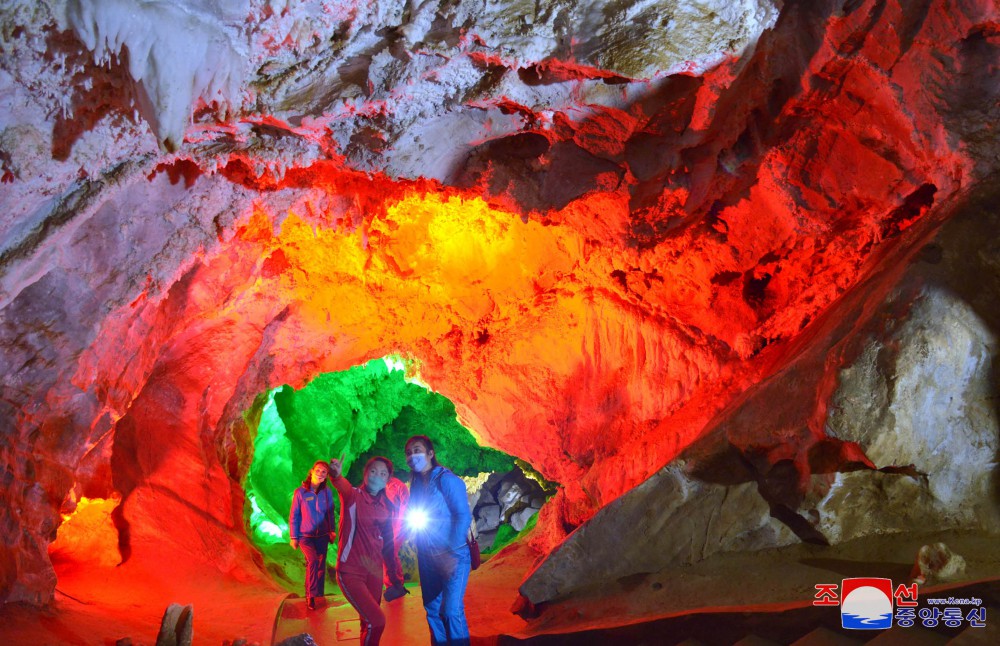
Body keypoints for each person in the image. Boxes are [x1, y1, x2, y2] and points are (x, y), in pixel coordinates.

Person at [328, 455, 406, 646]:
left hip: (374, 572)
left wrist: (394, 579)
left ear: (388, 480)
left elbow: (388, 546)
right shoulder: (353, 496)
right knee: (377, 621)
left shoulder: (386, 507)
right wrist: (336, 475)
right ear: (365, 474)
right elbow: (342, 485)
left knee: (367, 622)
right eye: (373, 471)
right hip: (351, 572)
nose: (377, 476)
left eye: (382, 473)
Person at [404, 435, 473, 646]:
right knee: (433, 610)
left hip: (454, 554)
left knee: (451, 611)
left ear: (430, 454)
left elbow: (463, 516)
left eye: (417, 450)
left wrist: (449, 552)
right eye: (408, 453)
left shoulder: (447, 480)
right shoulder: (415, 485)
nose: (412, 456)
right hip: (427, 557)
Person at [289, 460, 336, 610]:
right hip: (306, 536)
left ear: (327, 475)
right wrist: (293, 537)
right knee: (313, 561)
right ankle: (310, 595)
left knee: (321, 565)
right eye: (318, 470)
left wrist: (332, 530)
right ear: (311, 471)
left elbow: (330, 513)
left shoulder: (327, 492)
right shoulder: (300, 492)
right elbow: (294, 515)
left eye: (324, 472)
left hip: (322, 535)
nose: (320, 474)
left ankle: (318, 594)